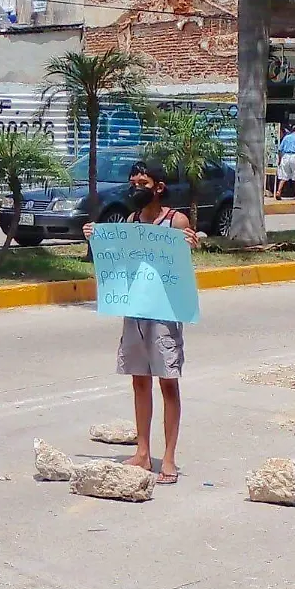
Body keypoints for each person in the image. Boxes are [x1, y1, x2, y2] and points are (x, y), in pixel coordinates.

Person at [82, 161, 199, 485]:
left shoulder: (175, 221)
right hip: (135, 310)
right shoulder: (131, 221)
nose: (136, 187)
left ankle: (170, 458)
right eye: (133, 182)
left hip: (164, 312)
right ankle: (143, 452)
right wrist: (96, 238)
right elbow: (119, 259)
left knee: (167, 381)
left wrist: (188, 244)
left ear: (158, 187)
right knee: (139, 380)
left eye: (142, 182)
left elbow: (180, 264)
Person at [276, 125, 295, 200]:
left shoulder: (286, 137)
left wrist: (280, 160)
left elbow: (280, 150)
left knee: (283, 176)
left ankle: (278, 192)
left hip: (285, 156)